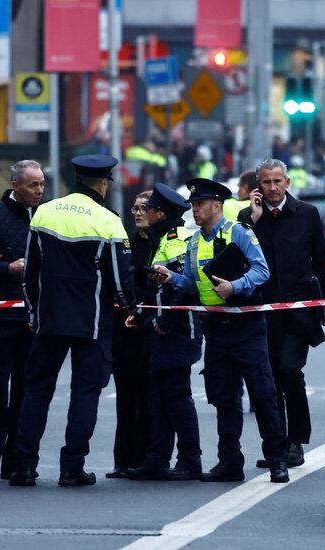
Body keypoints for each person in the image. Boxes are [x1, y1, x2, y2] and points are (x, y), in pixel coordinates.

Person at [8, 154, 136, 487]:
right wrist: (131, 311)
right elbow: (121, 282)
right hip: (92, 324)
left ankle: (23, 467)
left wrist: (34, 314)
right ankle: (72, 468)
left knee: (35, 392)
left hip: (49, 321)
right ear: (103, 182)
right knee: (85, 394)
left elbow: (30, 274)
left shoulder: (44, 212)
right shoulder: (109, 221)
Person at [151, 178, 289, 484]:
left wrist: (235, 286)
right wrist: (170, 278)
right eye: (193, 205)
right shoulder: (194, 243)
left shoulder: (238, 232)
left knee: (264, 396)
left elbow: (262, 270)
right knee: (224, 399)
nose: (194, 210)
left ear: (217, 205)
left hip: (246, 326)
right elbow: (191, 283)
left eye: (199, 205)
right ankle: (229, 462)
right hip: (215, 329)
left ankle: (278, 460)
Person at [239, 159, 325, 469]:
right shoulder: (248, 217)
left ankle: (295, 442)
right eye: (266, 183)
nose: (272, 188)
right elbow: (239, 257)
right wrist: (253, 220)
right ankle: (276, 445)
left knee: (289, 372)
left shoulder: (307, 214)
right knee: (268, 379)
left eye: (277, 182)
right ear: (258, 185)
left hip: (298, 311)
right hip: (263, 311)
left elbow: (322, 260)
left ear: (288, 182)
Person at [124, 183, 204, 481]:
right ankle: (156, 459)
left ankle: (189, 461)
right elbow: (156, 287)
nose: (144, 212)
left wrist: (166, 321)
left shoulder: (178, 241)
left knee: (177, 396)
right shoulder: (162, 240)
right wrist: (141, 313)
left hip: (179, 331)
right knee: (157, 397)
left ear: (161, 213)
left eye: (149, 208)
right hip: (160, 329)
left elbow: (187, 288)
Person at [0, 160, 44, 482]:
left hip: (32, 317)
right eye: (33, 185)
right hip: (1, 316)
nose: (39, 191)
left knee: (27, 391)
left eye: (42, 184)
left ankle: (18, 458)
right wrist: (8, 269)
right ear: (16, 185)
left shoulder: (44, 217)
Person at [105, 190, 154, 480]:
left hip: (151, 329)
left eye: (143, 208)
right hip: (124, 330)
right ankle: (123, 459)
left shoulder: (163, 244)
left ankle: (149, 457)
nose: (137, 213)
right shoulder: (126, 242)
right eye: (134, 208)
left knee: (149, 397)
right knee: (125, 394)